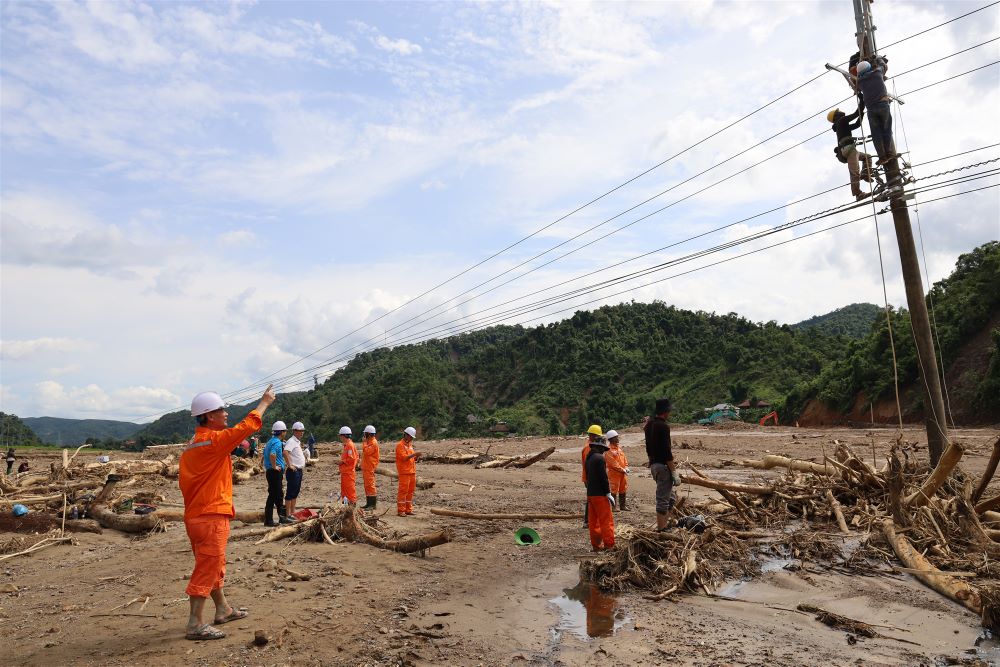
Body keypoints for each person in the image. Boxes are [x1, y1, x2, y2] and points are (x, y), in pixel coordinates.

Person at [180, 384, 276, 640]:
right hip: (210, 515)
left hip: (198, 515)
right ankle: (194, 624)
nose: (225, 414)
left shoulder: (194, 444)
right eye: (222, 410)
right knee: (207, 567)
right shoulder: (213, 441)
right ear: (209, 416)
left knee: (214, 565)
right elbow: (246, 427)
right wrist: (264, 402)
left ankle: (223, 609)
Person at [856, 57, 897, 166]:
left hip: (871, 110)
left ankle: (882, 157)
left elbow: (857, 85)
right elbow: (884, 66)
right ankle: (889, 153)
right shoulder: (877, 73)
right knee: (886, 129)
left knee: (876, 134)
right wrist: (879, 59)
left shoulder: (860, 81)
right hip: (883, 105)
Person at [828, 107, 873, 200]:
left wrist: (862, 114)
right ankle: (858, 194)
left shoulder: (842, 124)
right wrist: (862, 101)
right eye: (838, 112)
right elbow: (856, 114)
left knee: (867, 157)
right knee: (855, 172)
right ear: (836, 116)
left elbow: (857, 124)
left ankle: (865, 173)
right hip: (849, 149)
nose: (841, 112)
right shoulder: (842, 120)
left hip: (850, 149)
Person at [644, 398, 676, 531]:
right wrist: (673, 471)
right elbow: (666, 451)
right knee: (663, 499)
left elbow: (648, 447)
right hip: (663, 466)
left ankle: (664, 524)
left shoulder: (649, 426)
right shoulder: (663, 426)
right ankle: (661, 528)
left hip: (654, 465)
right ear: (666, 412)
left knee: (672, 497)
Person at [585, 435, 616, 551]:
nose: (604, 451)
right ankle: (609, 545)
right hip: (600, 495)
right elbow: (603, 478)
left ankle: (596, 546)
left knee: (593, 522)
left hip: (591, 494)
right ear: (600, 447)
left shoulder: (589, 458)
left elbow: (588, 476)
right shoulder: (599, 458)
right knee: (606, 521)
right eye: (603, 449)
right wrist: (608, 493)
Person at [263, 421, 292, 526]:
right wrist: (274, 466)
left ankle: (281, 517)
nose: (285, 433)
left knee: (278, 494)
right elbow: (272, 454)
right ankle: (269, 520)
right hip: (275, 472)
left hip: (270, 472)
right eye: (284, 431)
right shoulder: (277, 442)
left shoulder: (270, 441)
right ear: (282, 432)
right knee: (273, 495)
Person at [395, 426, 422, 516]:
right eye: (410, 437)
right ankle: (401, 510)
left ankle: (408, 509)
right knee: (403, 491)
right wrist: (414, 454)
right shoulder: (400, 445)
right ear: (406, 435)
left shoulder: (409, 445)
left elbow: (412, 459)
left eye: (412, 438)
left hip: (412, 471)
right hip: (404, 472)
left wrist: (416, 457)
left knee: (410, 491)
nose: (411, 439)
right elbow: (403, 458)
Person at [284, 422, 307, 518]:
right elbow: (285, 452)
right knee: (290, 492)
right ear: (294, 431)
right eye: (300, 431)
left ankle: (292, 512)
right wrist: (290, 465)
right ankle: (288, 514)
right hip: (293, 470)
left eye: (302, 431)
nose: (302, 433)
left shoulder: (297, 441)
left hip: (298, 470)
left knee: (295, 492)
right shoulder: (291, 441)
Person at [581, 425, 601, 527]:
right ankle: (587, 521)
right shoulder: (588, 448)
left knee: (593, 499)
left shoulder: (592, 446)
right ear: (592, 436)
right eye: (598, 436)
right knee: (591, 499)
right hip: (590, 478)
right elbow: (588, 465)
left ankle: (591, 520)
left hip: (591, 478)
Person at [604, 430, 630, 511]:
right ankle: (613, 507)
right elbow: (613, 464)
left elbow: (624, 459)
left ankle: (623, 506)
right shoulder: (609, 450)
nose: (618, 438)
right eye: (616, 437)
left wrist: (626, 467)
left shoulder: (619, 448)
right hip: (614, 474)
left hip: (622, 473)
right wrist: (622, 469)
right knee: (614, 490)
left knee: (623, 489)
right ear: (611, 439)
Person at [360, 425, 380, 510]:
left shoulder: (373, 443)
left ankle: (372, 504)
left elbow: (367, 452)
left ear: (369, 434)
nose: (364, 435)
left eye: (365, 434)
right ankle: (368, 503)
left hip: (370, 467)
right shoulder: (369, 442)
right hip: (366, 466)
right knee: (367, 485)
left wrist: (364, 443)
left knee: (370, 485)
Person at [338, 426, 359, 505]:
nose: (340, 437)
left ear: (344, 436)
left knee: (349, 492)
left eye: (340, 436)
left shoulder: (349, 446)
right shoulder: (348, 445)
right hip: (346, 472)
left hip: (348, 473)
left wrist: (342, 462)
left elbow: (352, 459)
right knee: (345, 492)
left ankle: (351, 509)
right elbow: (356, 457)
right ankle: (345, 507)